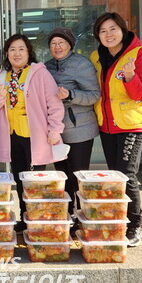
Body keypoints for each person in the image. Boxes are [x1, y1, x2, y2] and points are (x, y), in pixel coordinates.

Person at [0, 34, 65, 233]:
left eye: (21, 49)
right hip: (12, 137)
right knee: (20, 179)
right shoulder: (2, 76)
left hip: (35, 137)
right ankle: (25, 217)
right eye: (12, 49)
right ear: (7, 54)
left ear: (29, 52)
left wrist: (55, 130)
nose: (17, 53)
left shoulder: (40, 74)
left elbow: (54, 104)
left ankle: (38, 221)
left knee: (36, 181)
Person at [90, 12, 142, 247]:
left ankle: (136, 224)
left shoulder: (139, 54)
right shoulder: (97, 57)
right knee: (116, 176)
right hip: (107, 125)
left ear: (123, 30)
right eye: (103, 31)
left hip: (131, 124)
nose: (108, 34)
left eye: (113, 29)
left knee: (127, 175)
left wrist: (129, 76)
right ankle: (120, 220)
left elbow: (140, 94)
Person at [45, 27, 100, 219]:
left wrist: (70, 95)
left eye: (61, 42)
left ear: (70, 44)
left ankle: (82, 215)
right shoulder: (47, 66)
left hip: (80, 130)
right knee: (62, 176)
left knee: (78, 176)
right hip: (56, 132)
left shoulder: (82, 64)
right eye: (53, 43)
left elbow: (94, 95)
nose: (57, 47)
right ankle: (67, 213)